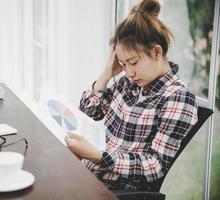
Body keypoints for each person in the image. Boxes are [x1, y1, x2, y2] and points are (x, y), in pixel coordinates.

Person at [64, 0, 198, 191]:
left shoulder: (178, 98)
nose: (128, 72)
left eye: (133, 62)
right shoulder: (127, 82)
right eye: (123, 64)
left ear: (156, 52)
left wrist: (99, 156)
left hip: (115, 189)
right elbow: (90, 111)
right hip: (87, 174)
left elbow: (155, 165)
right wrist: (107, 73)